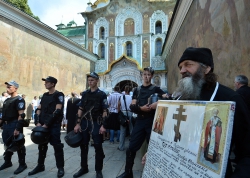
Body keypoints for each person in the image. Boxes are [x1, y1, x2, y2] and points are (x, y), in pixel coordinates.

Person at [147, 47, 250, 177]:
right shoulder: (179, 99)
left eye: (188, 65)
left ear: (206, 68)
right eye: (180, 67)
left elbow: (247, 153)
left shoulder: (230, 99)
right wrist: (154, 152)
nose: (182, 71)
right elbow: (166, 136)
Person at [117, 67, 167, 178]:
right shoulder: (137, 90)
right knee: (131, 148)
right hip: (140, 120)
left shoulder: (156, 89)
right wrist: (141, 109)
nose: (147, 76)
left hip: (152, 121)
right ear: (142, 75)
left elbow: (167, 98)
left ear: (152, 76)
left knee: (154, 148)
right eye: (145, 74)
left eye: (149, 74)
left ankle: (155, 173)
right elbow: (132, 106)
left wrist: (157, 102)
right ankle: (128, 172)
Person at [28, 76, 65, 177]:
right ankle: (40, 166)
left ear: (52, 84)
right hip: (42, 125)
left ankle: (60, 168)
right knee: (42, 146)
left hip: (53, 125)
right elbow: (39, 109)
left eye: (47, 82)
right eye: (45, 82)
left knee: (57, 146)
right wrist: (37, 121)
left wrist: (46, 124)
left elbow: (57, 111)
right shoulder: (44, 95)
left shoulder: (59, 95)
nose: (45, 84)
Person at [74, 72, 108, 178]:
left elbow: (105, 110)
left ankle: (98, 170)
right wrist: (77, 124)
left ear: (97, 80)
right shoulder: (85, 94)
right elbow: (80, 109)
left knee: (98, 146)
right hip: (85, 122)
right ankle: (84, 168)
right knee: (83, 146)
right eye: (89, 80)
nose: (90, 82)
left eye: (92, 80)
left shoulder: (102, 94)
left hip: (96, 122)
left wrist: (103, 125)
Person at [0, 81, 27, 174]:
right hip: (6, 125)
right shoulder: (7, 100)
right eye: (7, 87)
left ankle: (22, 164)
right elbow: (3, 115)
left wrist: (18, 128)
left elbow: (21, 115)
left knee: (18, 144)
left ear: (15, 88)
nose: (7, 88)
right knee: (7, 144)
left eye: (9, 87)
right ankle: (8, 162)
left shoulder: (19, 100)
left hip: (14, 124)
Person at [117, 85, 132, 151]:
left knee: (122, 131)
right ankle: (132, 146)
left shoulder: (121, 97)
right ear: (130, 90)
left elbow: (118, 105)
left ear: (124, 90)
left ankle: (121, 146)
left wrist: (119, 112)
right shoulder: (131, 97)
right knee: (132, 129)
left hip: (123, 113)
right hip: (130, 113)